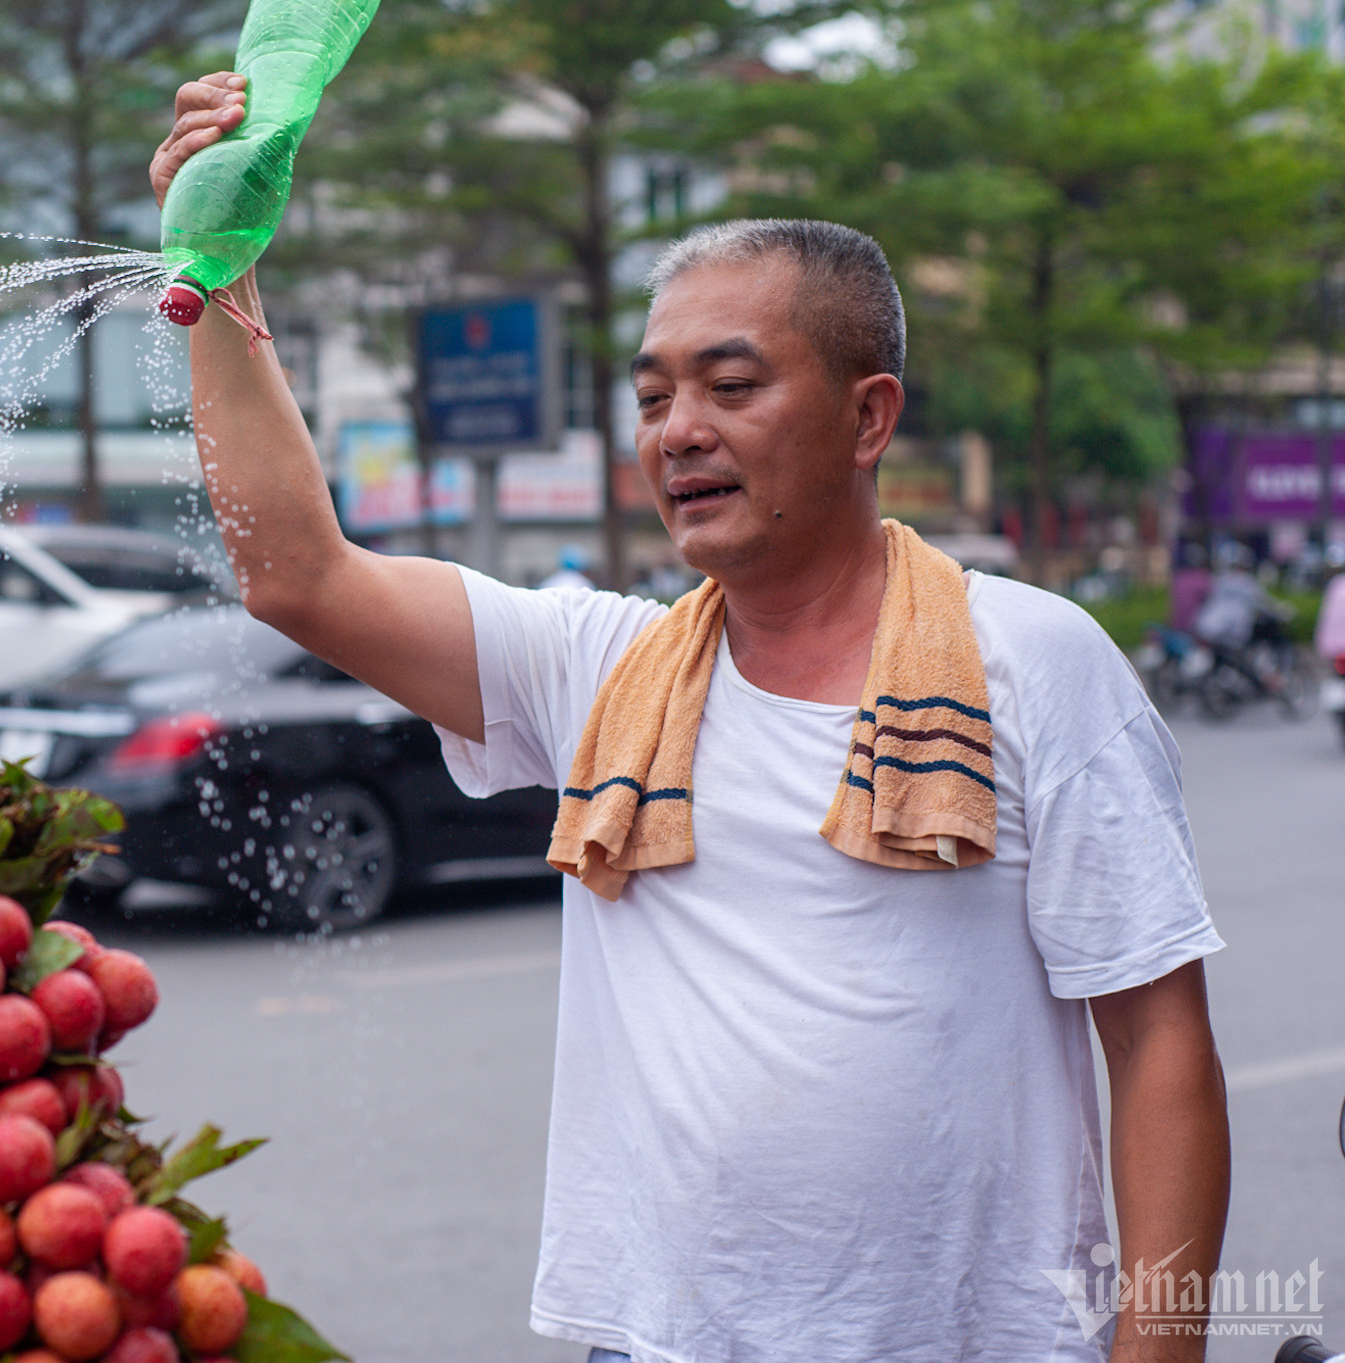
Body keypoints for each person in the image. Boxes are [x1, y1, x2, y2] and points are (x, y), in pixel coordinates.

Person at [155, 77, 1227, 1363]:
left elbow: (1157, 1041)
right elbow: (297, 575)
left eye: (729, 384)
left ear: (867, 417)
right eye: (654, 396)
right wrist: (217, 269)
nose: (678, 433)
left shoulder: (1033, 662)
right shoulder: (601, 669)